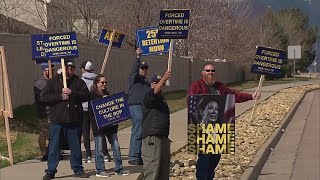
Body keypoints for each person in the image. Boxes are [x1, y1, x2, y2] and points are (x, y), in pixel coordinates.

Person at [188, 63, 261, 180]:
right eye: (208, 71)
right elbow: (191, 101)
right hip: (203, 129)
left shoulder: (219, 87)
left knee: (216, 156)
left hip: (219, 128)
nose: (210, 73)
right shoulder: (196, 86)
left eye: (212, 71)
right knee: (205, 157)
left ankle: (209, 177)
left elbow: (234, 95)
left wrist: (251, 96)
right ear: (203, 73)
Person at [41, 60, 90, 180]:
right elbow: (45, 97)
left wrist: (72, 93)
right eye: (67, 68)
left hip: (73, 120)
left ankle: (78, 169)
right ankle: (51, 171)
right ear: (63, 68)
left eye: (72, 68)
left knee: (75, 147)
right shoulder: (54, 81)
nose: (70, 70)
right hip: (57, 120)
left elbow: (86, 95)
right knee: (54, 147)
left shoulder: (78, 81)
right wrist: (60, 96)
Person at [88, 74, 130, 177]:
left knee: (116, 146)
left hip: (110, 126)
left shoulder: (108, 94)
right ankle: (100, 170)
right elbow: (92, 111)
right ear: (97, 83)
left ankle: (119, 169)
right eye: (102, 82)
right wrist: (102, 100)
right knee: (100, 149)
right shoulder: (92, 95)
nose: (104, 84)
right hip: (99, 127)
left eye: (106, 82)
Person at [80, 61, 112, 163]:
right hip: (96, 108)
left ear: (83, 69)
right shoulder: (97, 79)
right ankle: (105, 154)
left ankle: (88, 155)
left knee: (85, 132)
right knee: (99, 131)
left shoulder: (81, 80)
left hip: (84, 108)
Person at [142, 72, 171, 180]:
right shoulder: (149, 96)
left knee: (163, 171)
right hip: (152, 138)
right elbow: (154, 92)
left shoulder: (161, 99)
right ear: (152, 84)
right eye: (157, 83)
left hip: (162, 136)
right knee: (152, 170)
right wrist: (164, 78)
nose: (160, 85)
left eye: (162, 84)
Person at [128, 48, 151, 165]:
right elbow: (133, 70)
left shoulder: (146, 82)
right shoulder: (134, 78)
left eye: (146, 68)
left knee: (142, 131)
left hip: (144, 107)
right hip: (135, 106)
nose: (144, 70)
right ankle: (133, 156)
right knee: (137, 130)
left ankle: (138, 155)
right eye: (142, 68)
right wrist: (138, 57)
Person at [34, 64, 54, 161]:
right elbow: (39, 99)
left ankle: (51, 152)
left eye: (51, 70)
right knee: (43, 133)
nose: (50, 72)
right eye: (48, 70)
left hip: (53, 112)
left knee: (53, 134)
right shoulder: (40, 83)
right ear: (43, 71)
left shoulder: (53, 81)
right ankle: (43, 153)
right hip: (44, 112)